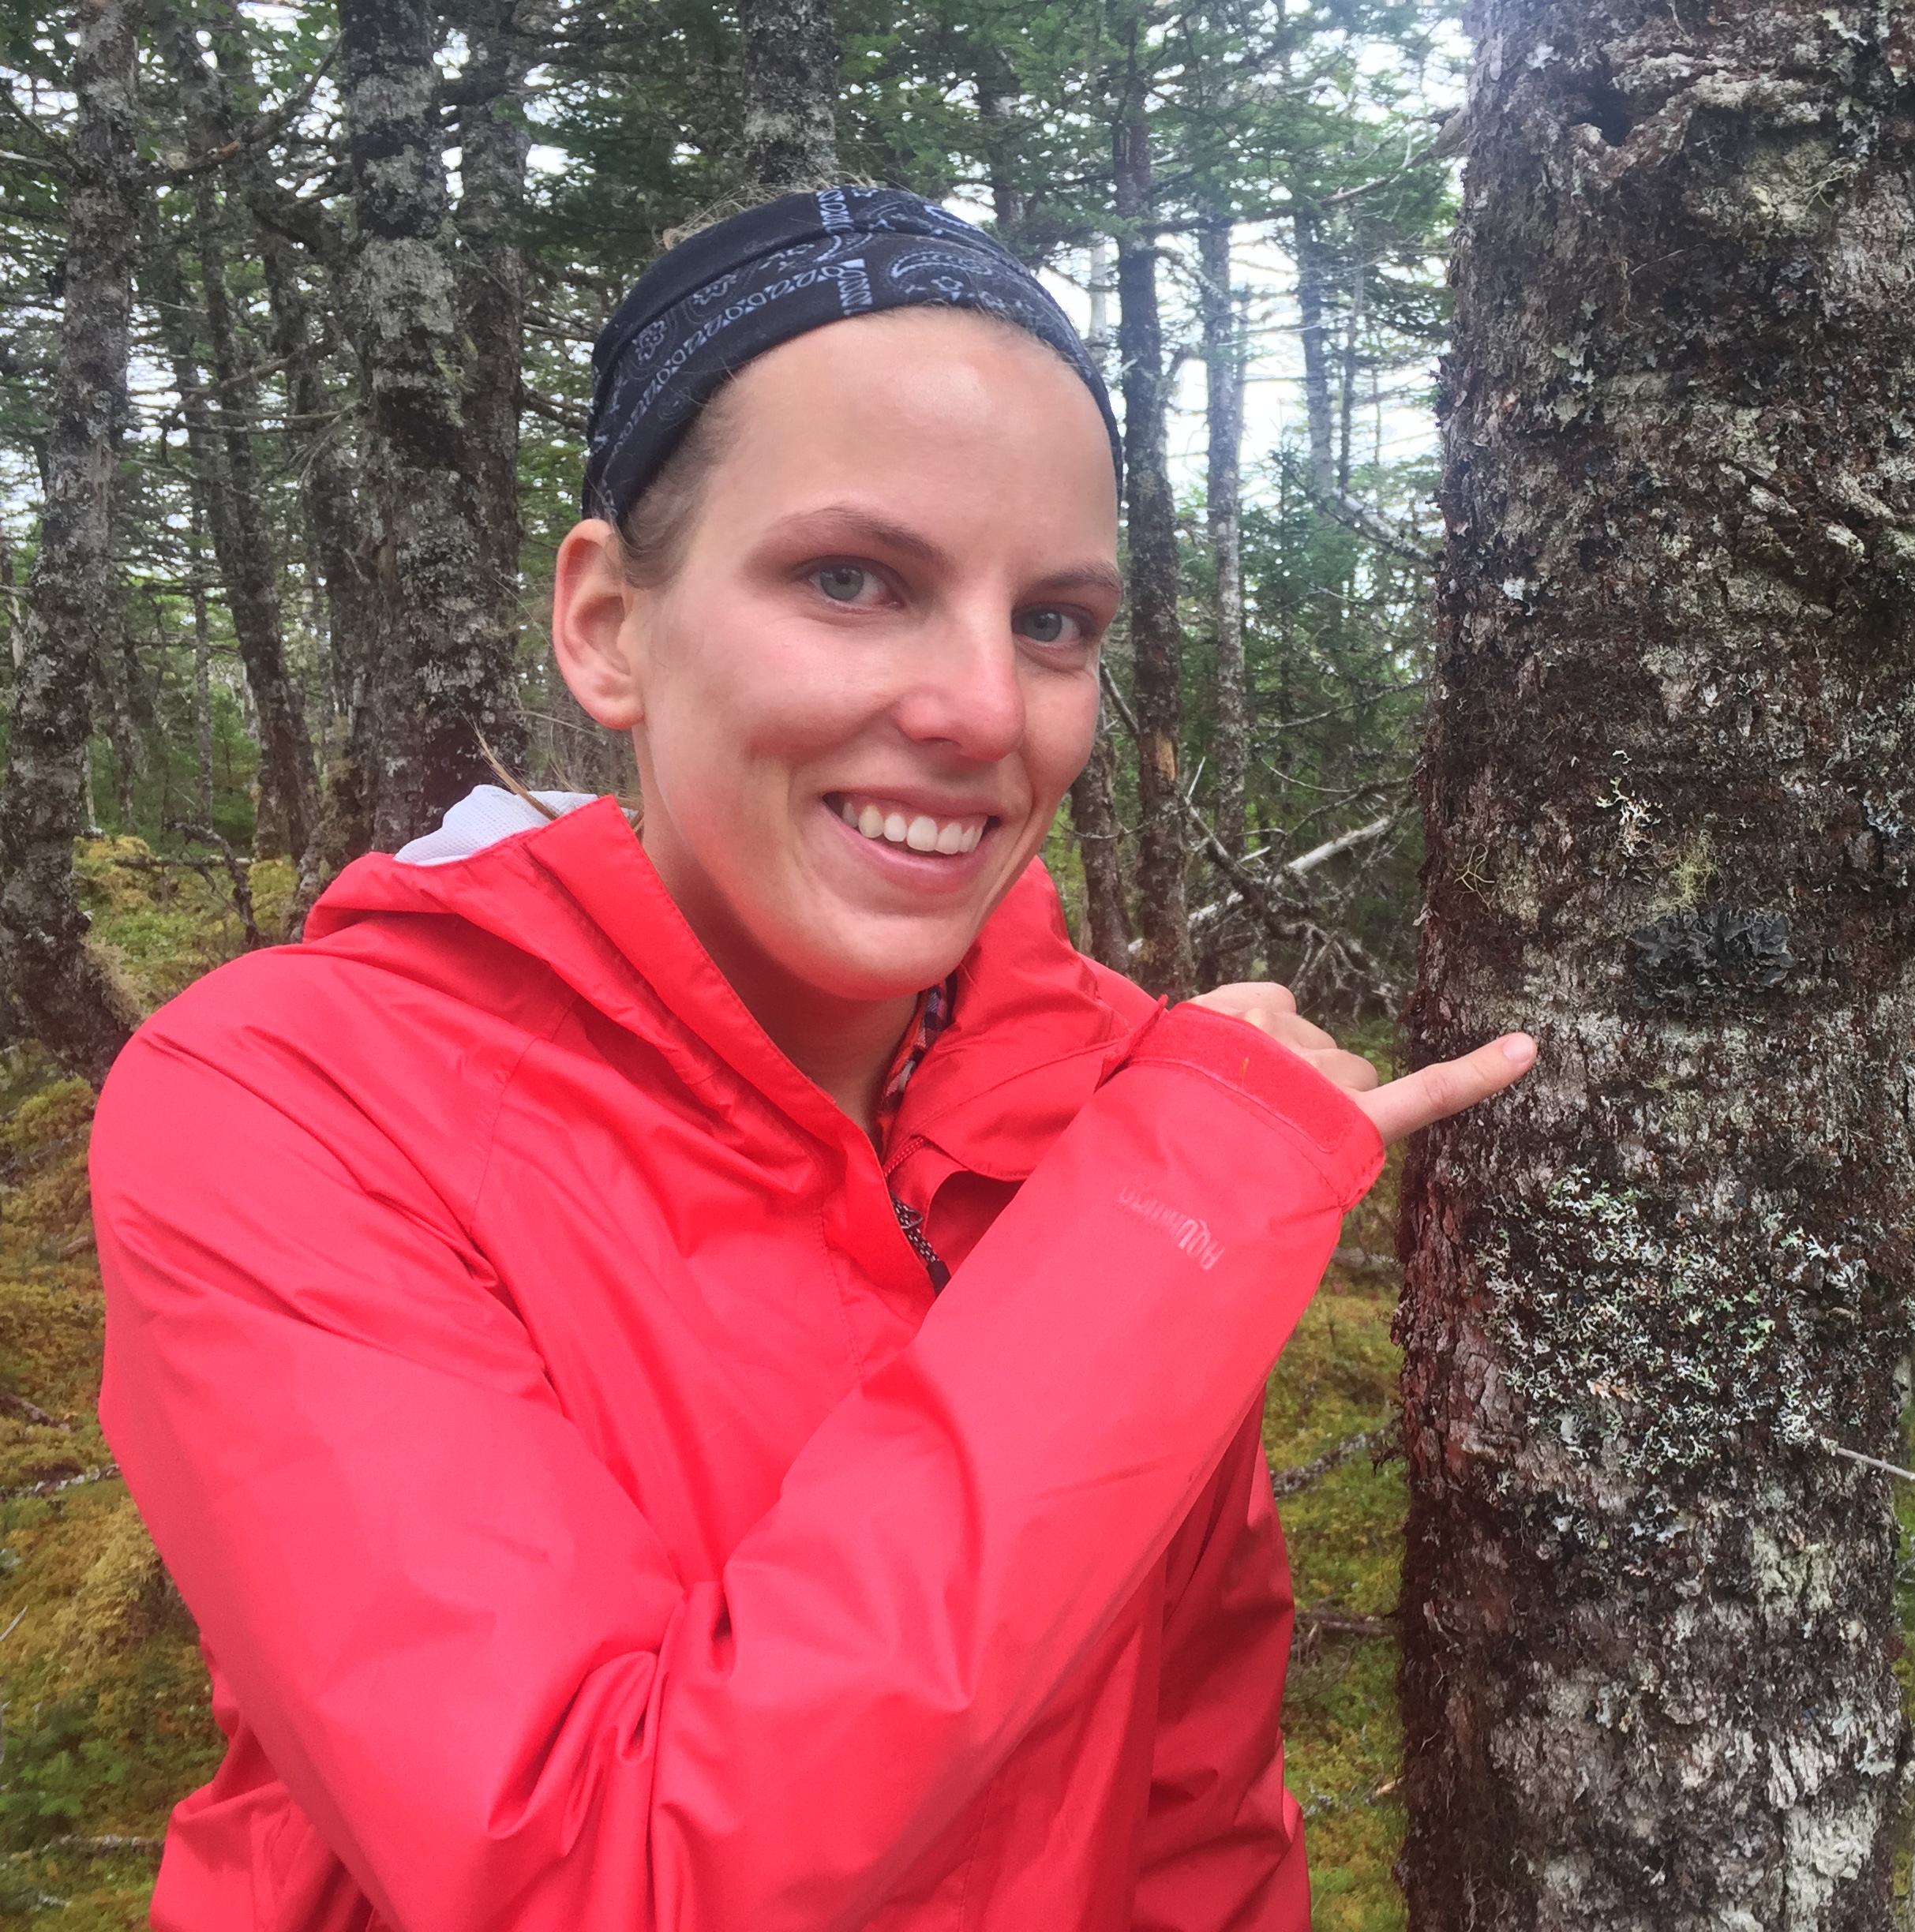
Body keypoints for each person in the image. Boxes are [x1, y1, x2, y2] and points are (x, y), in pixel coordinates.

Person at [88, 187, 1532, 1931]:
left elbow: (1190, 1810)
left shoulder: (1125, 1111)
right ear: (607, 624)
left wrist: (1166, 1190)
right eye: (853, 581)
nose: (983, 710)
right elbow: (585, 1872)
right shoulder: (289, 1102)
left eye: (1055, 621)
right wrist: (1168, 1225)